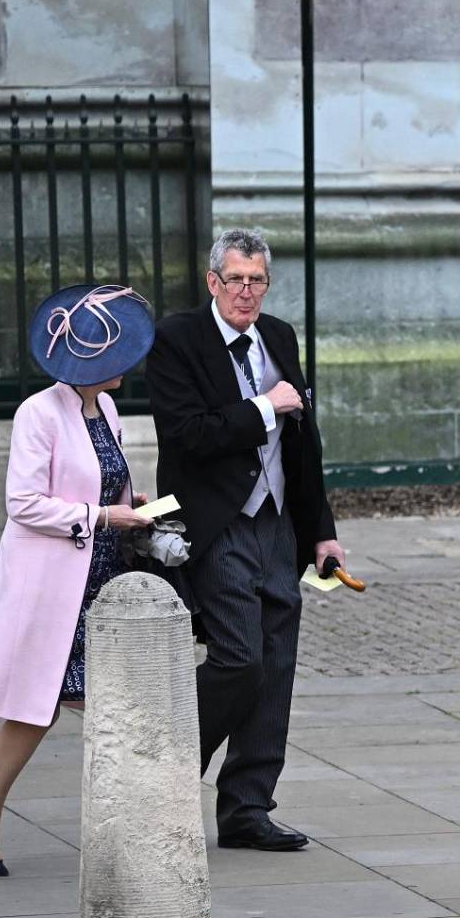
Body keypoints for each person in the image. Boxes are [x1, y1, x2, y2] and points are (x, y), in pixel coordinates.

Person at [144, 228, 342, 852]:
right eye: (236, 280)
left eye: (257, 281)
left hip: (278, 525)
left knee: (276, 665)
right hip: (215, 523)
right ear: (212, 282)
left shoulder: (278, 336)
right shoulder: (179, 340)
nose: (247, 292)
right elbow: (187, 434)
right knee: (240, 658)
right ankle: (161, 777)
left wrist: (323, 533)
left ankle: (247, 808)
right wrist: (262, 406)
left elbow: (303, 444)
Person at [0, 284, 157, 875]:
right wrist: (100, 515)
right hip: (53, 584)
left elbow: (102, 480)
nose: (128, 365)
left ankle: (129, 830)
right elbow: (22, 503)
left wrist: (130, 505)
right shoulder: (37, 412)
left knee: (114, 704)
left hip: (104, 577)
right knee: (37, 707)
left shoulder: (108, 408)